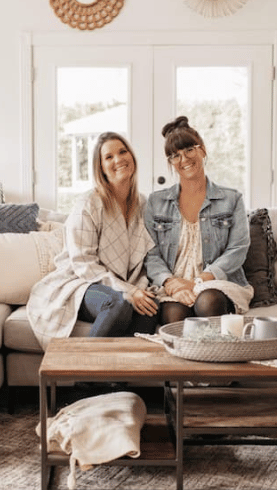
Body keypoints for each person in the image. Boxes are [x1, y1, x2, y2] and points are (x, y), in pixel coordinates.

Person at [27, 132, 159, 350]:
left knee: (150, 305)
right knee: (118, 303)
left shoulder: (142, 205)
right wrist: (127, 291)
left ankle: (128, 380)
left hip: (123, 283)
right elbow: (83, 264)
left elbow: (146, 259)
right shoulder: (89, 203)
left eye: (123, 152)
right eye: (109, 157)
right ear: (101, 168)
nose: (118, 159)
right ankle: (85, 381)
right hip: (81, 282)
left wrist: (139, 291)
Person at [144, 116, 254, 326]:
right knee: (174, 315)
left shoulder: (232, 199)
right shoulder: (156, 202)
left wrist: (198, 281)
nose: (184, 159)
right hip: (173, 285)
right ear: (170, 163)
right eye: (175, 155)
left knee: (208, 301)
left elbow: (238, 249)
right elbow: (151, 254)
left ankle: (220, 357)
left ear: (202, 150)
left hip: (216, 283)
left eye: (189, 150)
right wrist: (171, 283)